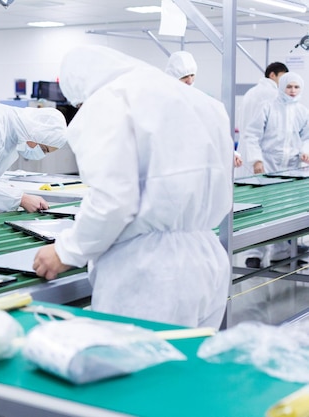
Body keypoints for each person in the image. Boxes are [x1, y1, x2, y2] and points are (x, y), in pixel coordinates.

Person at [32, 45, 234, 328]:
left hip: (149, 273)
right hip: (207, 259)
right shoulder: (199, 102)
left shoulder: (110, 100)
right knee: (188, 366)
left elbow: (112, 200)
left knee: (140, 368)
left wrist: (66, 251)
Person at [241, 71, 309, 267]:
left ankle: (281, 251)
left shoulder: (302, 112)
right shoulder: (268, 107)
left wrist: (305, 151)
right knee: (263, 208)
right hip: (268, 164)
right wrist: (256, 160)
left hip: (292, 167)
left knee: (285, 209)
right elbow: (251, 135)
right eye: (289, 86)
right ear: (281, 87)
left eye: (296, 87)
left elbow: (306, 137)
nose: (293, 91)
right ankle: (254, 252)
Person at [166, 50, 242, 167]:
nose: (190, 80)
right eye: (184, 76)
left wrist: (229, 153)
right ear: (173, 76)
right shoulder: (164, 101)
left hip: (196, 166)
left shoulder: (200, 100)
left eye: (192, 75)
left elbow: (213, 132)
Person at [236, 62, 289, 179]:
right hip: (262, 153)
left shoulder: (251, 92)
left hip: (245, 149)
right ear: (272, 75)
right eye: (282, 77)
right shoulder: (274, 94)